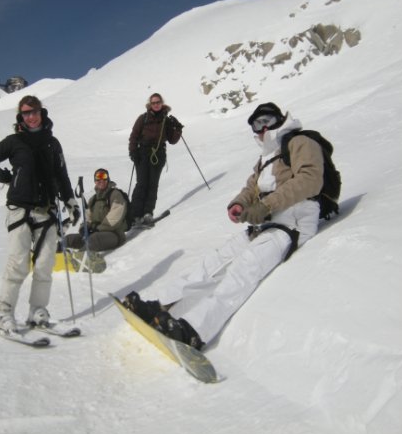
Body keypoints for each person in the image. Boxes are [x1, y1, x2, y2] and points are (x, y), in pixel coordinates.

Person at [122, 102, 324, 350]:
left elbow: (310, 180)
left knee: (245, 268)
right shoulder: (266, 156)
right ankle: (158, 305)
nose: (261, 129)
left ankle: (193, 330)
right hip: (266, 223)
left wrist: (266, 206)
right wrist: (239, 203)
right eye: (255, 124)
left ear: (280, 120)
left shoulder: (301, 143)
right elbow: (252, 187)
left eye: (266, 121)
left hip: (292, 222)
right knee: (212, 262)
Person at [0, 95, 80, 335]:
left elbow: (62, 175)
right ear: (20, 117)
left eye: (34, 111)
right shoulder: (14, 141)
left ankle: (38, 311)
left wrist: (70, 201)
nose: (31, 116)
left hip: (47, 210)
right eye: (26, 113)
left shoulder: (53, 143)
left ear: (41, 113)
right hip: (19, 209)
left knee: (45, 265)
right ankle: (4, 314)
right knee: (18, 264)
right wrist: (6, 177)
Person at [128, 93, 183, 225]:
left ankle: (148, 213)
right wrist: (133, 151)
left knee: (153, 184)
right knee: (141, 184)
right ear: (150, 104)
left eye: (158, 102)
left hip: (158, 154)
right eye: (154, 103)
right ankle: (135, 214)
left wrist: (178, 129)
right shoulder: (143, 118)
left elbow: (172, 140)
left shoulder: (166, 120)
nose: (156, 104)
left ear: (162, 103)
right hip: (142, 153)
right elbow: (134, 136)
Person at [65, 168, 128, 252]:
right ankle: (55, 256)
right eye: (98, 178)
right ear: (95, 181)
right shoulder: (93, 199)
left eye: (104, 177)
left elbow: (114, 218)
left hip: (114, 234)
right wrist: (84, 227)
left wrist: (98, 229)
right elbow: (88, 217)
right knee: (69, 239)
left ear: (108, 179)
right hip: (94, 233)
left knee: (94, 239)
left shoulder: (115, 194)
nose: (101, 180)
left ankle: (79, 260)